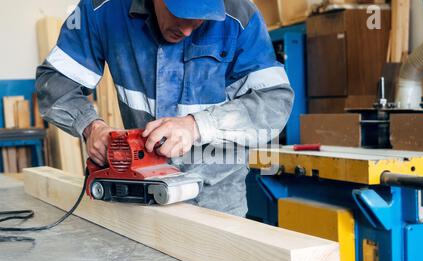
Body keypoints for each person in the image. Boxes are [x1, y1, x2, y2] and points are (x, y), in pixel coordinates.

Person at [36, 0, 294, 217]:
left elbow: (274, 101)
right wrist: (91, 126)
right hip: (141, 196)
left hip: (219, 200)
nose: (188, 31)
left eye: (202, 18)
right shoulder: (103, 9)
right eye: (180, 14)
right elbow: (55, 81)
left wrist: (197, 125)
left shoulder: (240, 15)